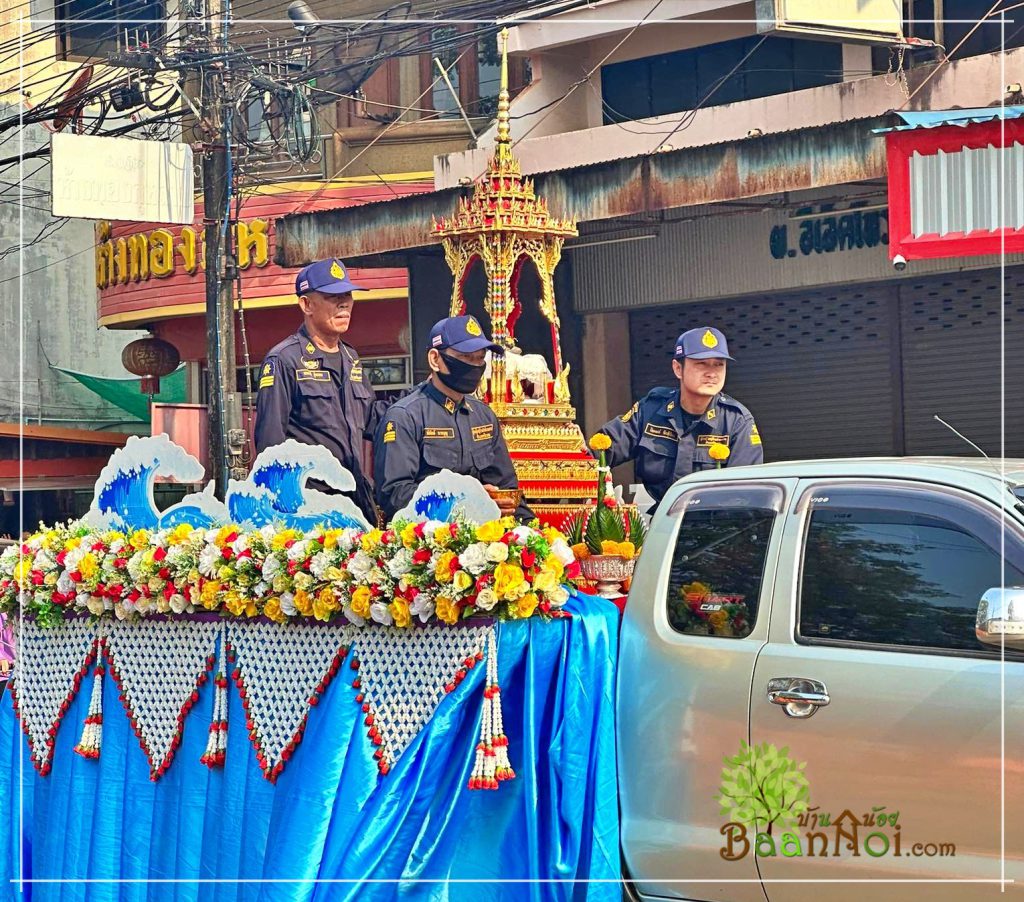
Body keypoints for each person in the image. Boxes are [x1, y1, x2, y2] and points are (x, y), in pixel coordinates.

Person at [254, 258, 383, 522]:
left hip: (354, 501)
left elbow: (373, 421)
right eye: (332, 296)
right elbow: (270, 444)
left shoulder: (352, 358)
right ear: (306, 304)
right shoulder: (284, 360)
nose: (344, 303)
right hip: (308, 505)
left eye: (347, 295)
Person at [373, 315, 532, 522]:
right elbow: (395, 495)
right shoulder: (404, 416)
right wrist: (465, 503)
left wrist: (534, 535)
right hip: (428, 544)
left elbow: (507, 490)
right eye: (465, 358)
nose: (475, 366)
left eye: (480, 358)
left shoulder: (484, 416)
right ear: (435, 359)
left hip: (487, 542)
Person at [597, 326, 763, 508]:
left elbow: (745, 494)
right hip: (664, 522)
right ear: (678, 368)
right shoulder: (651, 410)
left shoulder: (737, 421)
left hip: (719, 528)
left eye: (719, 364)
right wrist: (601, 494)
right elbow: (601, 450)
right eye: (701, 363)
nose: (712, 373)